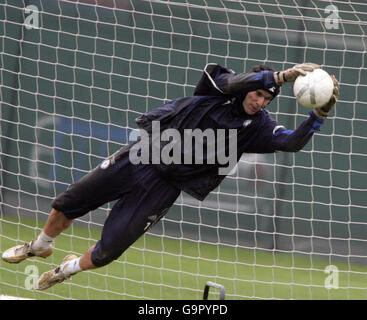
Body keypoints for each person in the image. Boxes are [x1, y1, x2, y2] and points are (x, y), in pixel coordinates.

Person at [1, 62, 339, 290]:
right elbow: (233, 82)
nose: (259, 101)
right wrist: (280, 76)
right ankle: (40, 246)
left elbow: (291, 142)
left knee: (107, 253)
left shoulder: (258, 126)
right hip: (141, 156)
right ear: (248, 87)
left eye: (266, 99)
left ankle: (65, 270)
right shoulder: (218, 86)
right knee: (68, 202)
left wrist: (318, 117)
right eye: (258, 93)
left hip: (164, 188)